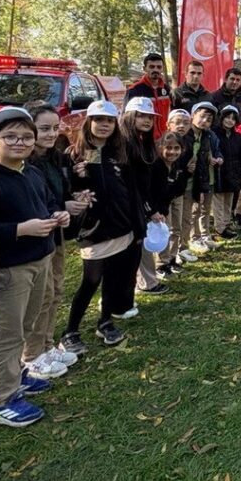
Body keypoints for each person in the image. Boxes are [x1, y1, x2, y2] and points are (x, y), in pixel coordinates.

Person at [0, 108, 70, 429]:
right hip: (10, 267)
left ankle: (19, 377)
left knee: (28, 323)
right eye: (11, 137)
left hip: (41, 259)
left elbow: (47, 204)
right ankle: (3, 399)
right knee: (5, 333)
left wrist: (59, 215)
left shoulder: (30, 172)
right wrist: (20, 229)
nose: (20, 143)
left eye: (26, 137)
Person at [61, 100, 144, 354]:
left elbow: (132, 191)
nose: (104, 125)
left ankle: (105, 321)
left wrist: (137, 225)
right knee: (91, 279)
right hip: (94, 230)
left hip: (122, 226)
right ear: (89, 123)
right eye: (99, 120)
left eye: (109, 120)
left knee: (113, 278)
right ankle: (70, 330)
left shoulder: (120, 153)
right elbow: (67, 191)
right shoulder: (74, 154)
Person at [25, 103, 87, 371]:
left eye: (54, 128)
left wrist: (75, 196)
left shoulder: (57, 157)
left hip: (57, 233)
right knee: (40, 296)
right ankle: (32, 354)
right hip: (35, 238)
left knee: (55, 291)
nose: (50, 134)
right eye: (43, 129)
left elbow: (60, 192)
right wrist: (63, 206)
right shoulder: (24, 163)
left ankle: (48, 345)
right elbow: (33, 202)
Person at [122, 97, 169, 295]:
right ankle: (140, 284)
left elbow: (145, 183)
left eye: (150, 116)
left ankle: (144, 281)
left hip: (141, 204)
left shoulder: (144, 144)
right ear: (129, 116)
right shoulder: (122, 144)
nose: (147, 120)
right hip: (126, 205)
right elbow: (132, 183)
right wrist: (149, 210)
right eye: (141, 115)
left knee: (138, 244)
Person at [161, 109, 197, 271]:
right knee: (165, 229)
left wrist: (189, 170)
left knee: (177, 228)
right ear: (168, 124)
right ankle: (162, 262)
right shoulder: (162, 145)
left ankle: (173, 257)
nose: (181, 126)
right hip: (163, 195)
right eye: (177, 122)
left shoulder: (188, 146)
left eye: (185, 123)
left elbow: (186, 169)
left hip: (180, 192)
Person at [186, 101, 222, 250]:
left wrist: (216, 158)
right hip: (191, 180)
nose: (205, 121)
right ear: (193, 115)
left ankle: (205, 235)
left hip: (207, 176)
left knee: (206, 209)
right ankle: (193, 238)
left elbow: (213, 151)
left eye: (209, 119)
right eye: (202, 117)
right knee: (194, 210)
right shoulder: (186, 134)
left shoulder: (208, 135)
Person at [212, 105, 241, 238]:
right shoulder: (214, 134)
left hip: (234, 173)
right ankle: (219, 228)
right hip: (220, 173)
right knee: (219, 201)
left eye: (233, 119)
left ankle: (226, 224)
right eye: (227, 117)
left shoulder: (237, 137)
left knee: (229, 200)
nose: (230, 121)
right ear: (221, 118)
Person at [124, 52, 172, 133]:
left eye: (159, 67)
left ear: (162, 68)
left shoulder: (167, 89)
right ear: (144, 68)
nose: (155, 70)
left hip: (164, 138)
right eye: (152, 67)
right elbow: (126, 117)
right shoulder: (134, 90)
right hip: (144, 139)